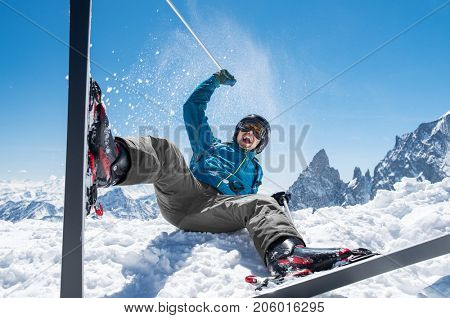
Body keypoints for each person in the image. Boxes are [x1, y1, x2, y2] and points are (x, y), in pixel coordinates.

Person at [87, 70, 371, 278]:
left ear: (261, 143)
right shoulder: (210, 145)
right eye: (245, 127)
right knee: (166, 148)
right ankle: (110, 165)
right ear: (237, 132)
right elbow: (192, 109)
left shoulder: (255, 171)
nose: (249, 133)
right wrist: (214, 81)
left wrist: (273, 202)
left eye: (257, 132)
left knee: (261, 202)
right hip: (186, 194)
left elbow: (246, 204)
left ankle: (286, 257)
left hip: (216, 209)